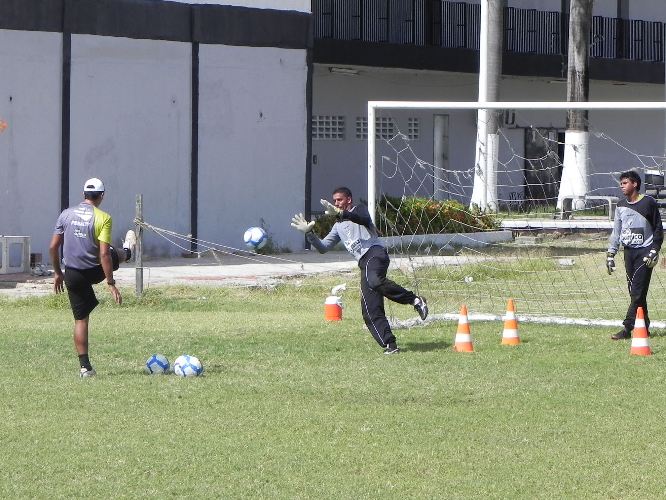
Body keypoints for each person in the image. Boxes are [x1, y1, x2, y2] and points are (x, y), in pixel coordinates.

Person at [291, 186, 428, 354]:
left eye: (339, 200)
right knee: (369, 310)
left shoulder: (359, 210)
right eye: (334, 201)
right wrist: (309, 233)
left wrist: (342, 214)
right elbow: (323, 247)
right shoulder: (337, 226)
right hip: (364, 263)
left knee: (374, 280)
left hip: (375, 254)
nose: (336, 203)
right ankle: (390, 346)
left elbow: (361, 218)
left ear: (349, 199)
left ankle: (415, 300)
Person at [49, 178, 136, 377]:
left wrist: (57, 272)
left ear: (83, 195)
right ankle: (128, 252)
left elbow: (53, 247)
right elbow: (104, 255)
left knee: (81, 320)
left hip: (72, 273)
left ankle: (85, 368)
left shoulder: (66, 214)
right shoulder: (103, 217)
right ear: (102, 196)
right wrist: (111, 283)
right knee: (114, 253)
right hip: (94, 269)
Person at [607, 170, 663, 340]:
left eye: (625, 183)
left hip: (645, 253)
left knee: (637, 293)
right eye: (621, 183)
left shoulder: (648, 202)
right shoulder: (621, 206)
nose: (621, 186)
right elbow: (616, 232)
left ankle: (627, 328)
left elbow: (658, 229)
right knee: (636, 292)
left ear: (635, 184)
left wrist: (654, 250)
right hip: (628, 253)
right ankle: (644, 327)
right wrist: (611, 253)